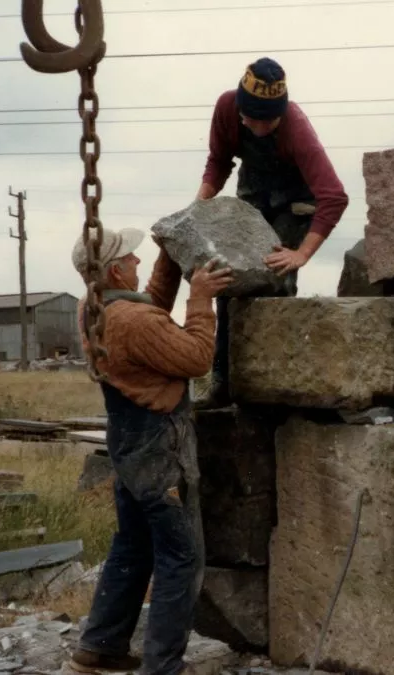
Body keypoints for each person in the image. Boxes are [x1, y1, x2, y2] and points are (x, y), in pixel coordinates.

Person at [67, 227, 233, 675]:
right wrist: (201, 299)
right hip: (160, 444)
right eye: (134, 258)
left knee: (133, 544)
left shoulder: (94, 306)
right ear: (117, 269)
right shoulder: (133, 322)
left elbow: (151, 307)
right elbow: (197, 358)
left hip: (127, 438)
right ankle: (162, 667)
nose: (139, 262)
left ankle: (99, 646)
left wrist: (168, 254)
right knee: (181, 556)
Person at [194, 56, 349, 408]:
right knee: (226, 278)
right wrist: (198, 206)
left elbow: (334, 197)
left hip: (295, 202)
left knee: (276, 278)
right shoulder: (226, 108)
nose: (260, 128)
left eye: (269, 121)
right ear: (241, 108)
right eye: (253, 120)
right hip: (253, 192)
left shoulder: (297, 129)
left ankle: (277, 389)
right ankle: (224, 385)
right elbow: (219, 161)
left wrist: (302, 254)